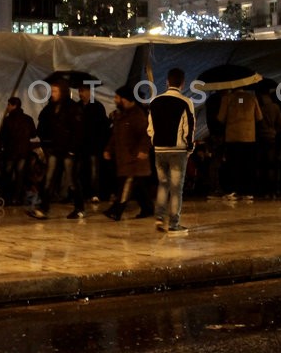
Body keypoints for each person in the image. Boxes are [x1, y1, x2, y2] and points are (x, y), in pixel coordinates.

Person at [148, 68, 195, 235]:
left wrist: (154, 142)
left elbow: (150, 128)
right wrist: (189, 147)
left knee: (163, 184)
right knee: (176, 188)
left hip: (159, 149)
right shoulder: (185, 102)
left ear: (167, 82)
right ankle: (174, 224)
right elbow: (189, 127)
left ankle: (159, 217)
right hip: (178, 150)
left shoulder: (155, 102)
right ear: (182, 83)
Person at [102, 85, 153, 221]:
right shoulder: (121, 115)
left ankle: (116, 210)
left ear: (125, 99)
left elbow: (145, 135)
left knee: (126, 185)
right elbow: (115, 136)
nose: (115, 100)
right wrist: (108, 149)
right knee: (138, 187)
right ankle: (147, 208)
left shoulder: (137, 115)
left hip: (134, 160)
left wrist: (143, 150)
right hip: (124, 159)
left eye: (117, 97)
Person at [35, 80, 83, 219]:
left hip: (69, 149)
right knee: (49, 178)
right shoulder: (52, 107)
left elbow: (78, 130)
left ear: (62, 92)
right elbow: (45, 125)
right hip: (56, 148)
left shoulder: (72, 108)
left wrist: (73, 149)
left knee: (71, 179)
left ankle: (79, 208)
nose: (53, 93)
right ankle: (44, 208)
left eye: (55, 91)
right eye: (52, 91)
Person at [217, 84, 262, 198]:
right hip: (249, 136)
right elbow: (259, 117)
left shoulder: (227, 98)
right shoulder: (252, 98)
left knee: (233, 164)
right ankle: (247, 191)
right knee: (248, 164)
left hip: (232, 137)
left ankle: (232, 190)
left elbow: (221, 118)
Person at [0, 97, 36, 206]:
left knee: (8, 174)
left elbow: (2, 136)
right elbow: (33, 134)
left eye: (9, 105)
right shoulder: (28, 119)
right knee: (20, 174)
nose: (7, 107)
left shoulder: (8, 120)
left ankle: (7, 197)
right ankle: (17, 198)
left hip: (10, 151)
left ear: (14, 105)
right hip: (23, 151)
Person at [77, 83, 110, 207]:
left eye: (83, 91)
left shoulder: (97, 106)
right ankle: (84, 193)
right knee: (82, 170)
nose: (81, 94)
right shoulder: (78, 107)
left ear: (89, 92)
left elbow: (102, 127)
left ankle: (95, 193)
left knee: (94, 170)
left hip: (94, 145)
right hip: (82, 145)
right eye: (80, 91)